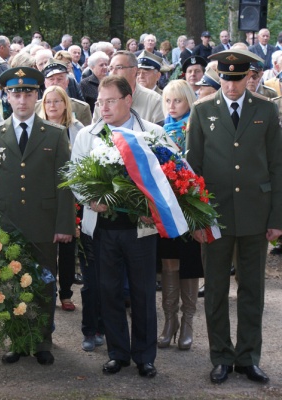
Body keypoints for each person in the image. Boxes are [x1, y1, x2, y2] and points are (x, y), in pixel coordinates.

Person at [186, 49, 282, 384]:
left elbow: (277, 166)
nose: (231, 85)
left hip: (256, 213)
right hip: (215, 214)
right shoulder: (201, 111)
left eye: (237, 78)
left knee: (252, 289)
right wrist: (197, 218)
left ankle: (248, 357)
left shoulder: (267, 111)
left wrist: (277, 217)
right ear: (219, 77)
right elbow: (192, 171)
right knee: (214, 288)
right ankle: (222, 357)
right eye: (226, 78)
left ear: (250, 77)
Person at [0, 67, 74, 365]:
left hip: (43, 222)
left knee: (42, 282)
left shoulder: (54, 134)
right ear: (6, 96)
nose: (22, 99)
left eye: (28, 93)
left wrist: (64, 224)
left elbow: (64, 183)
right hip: (7, 222)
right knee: (10, 283)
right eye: (16, 93)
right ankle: (15, 339)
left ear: (37, 95)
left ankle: (42, 340)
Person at [71, 75, 167, 377]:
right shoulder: (88, 134)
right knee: (108, 291)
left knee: (142, 293)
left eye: (110, 101)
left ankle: (144, 356)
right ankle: (118, 353)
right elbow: (75, 177)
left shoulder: (153, 133)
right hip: (102, 229)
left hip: (141, 228)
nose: (104, 107)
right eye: (100, 102)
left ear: (128, 100)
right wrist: (91, 200)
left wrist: (153, 207)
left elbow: (169, 176)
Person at [157, 80, 203, 351]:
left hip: (191, 206)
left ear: (189, 102)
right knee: (168, 262)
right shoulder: (159, 129)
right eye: (168, 101)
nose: (172, 106)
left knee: (189, 263)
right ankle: (169, 320)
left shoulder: (193, 129)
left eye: (178, 101)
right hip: (166, 207)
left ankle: (188, 323)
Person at [39, 85, 84, 312]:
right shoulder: (37, 129)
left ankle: (65, 293)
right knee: (45, 247)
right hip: (44, 197)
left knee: (68, 246)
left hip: (70, 195)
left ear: (66, 104)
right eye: (48, 102)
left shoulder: (77, 129)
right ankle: (45, 291)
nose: (53, 106)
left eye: (57, 101)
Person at [93, 50, 164, 125]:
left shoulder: (154, 100)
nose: (113, 73)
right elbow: (95, 132)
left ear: (134, 70)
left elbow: (159, 134)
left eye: (119, 67)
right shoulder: (102, 100)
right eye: (110, 68)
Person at [36, 58, 92, 126]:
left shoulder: (81, 108)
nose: (55, 83)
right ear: (45, 83)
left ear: (67, 82)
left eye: (60, 79)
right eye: (51, 79)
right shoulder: (35, 108)